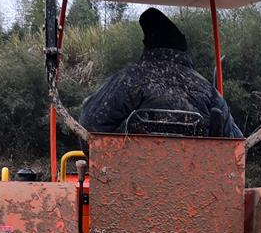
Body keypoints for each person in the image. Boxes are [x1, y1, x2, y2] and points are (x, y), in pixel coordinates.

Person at [79, 8, 243, 138]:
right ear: (182, 47)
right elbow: (235, 144)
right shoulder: (207, 90)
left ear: (147, 44)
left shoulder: (127, 80)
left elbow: (88, 126)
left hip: (130, 177)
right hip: (196, 178)